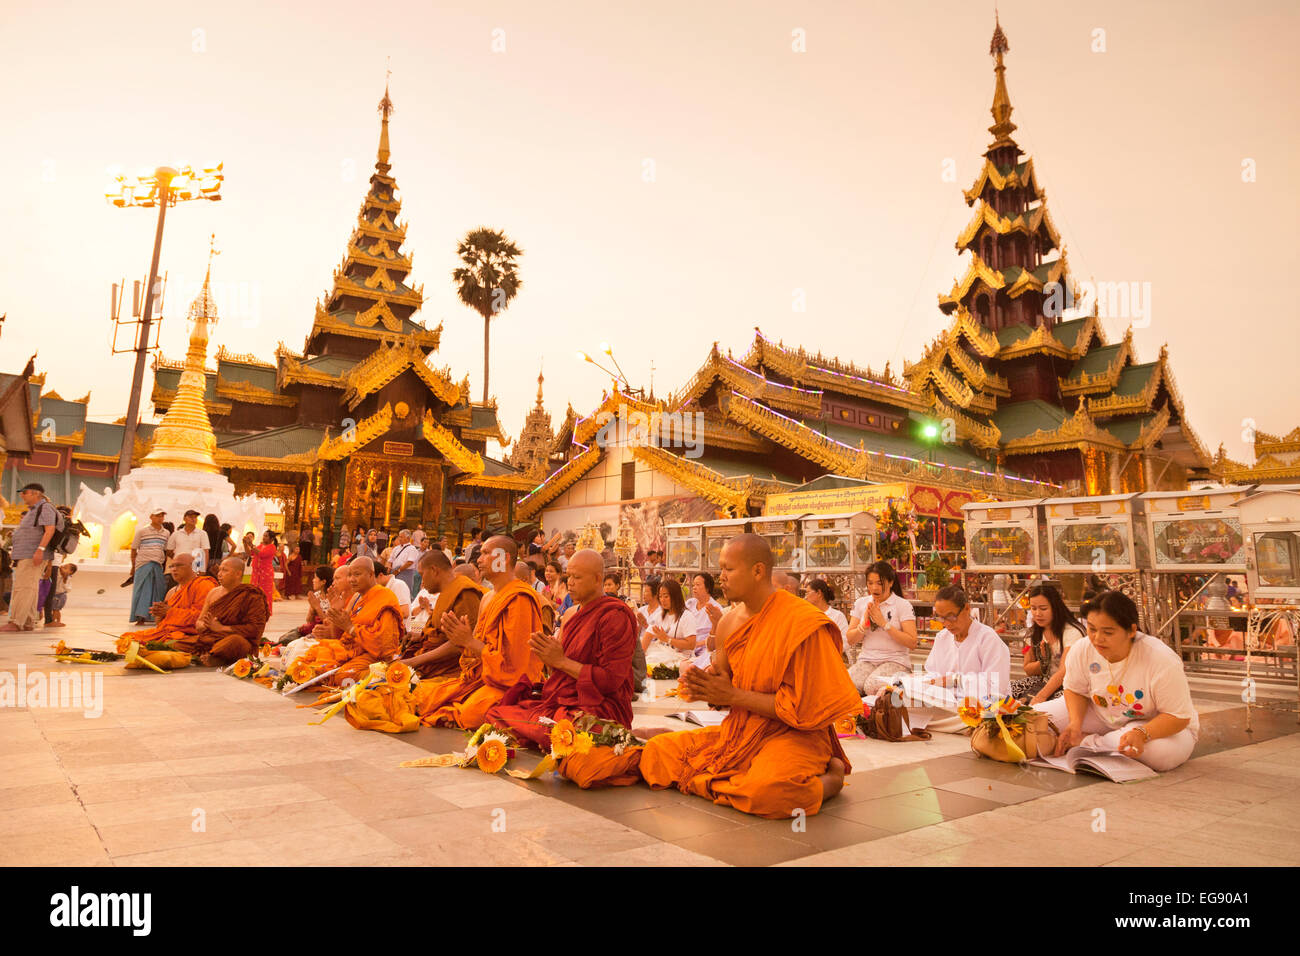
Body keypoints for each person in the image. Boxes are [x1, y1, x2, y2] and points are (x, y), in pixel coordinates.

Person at [637, 535, 860, 818]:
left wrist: (732, 695)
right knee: (657, 753)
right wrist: (705, 687)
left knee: (767, 792)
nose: (722, 578)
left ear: (757, 571)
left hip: (795, 737)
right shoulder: (730, 623)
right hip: (742, 731)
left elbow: (806, 709)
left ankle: (830, 780)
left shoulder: (801, 622)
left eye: (728, 569)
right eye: (721, 569)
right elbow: (725, 686)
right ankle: (732, 782)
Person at [488, 548, 637, 747]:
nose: (571, 583)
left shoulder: (614, 616)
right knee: (497, 712)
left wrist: (561, 661)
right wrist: (549, 658)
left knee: (562, 732)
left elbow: (610, 681)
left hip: (601, 708)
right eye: (568, 576)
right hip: (565, 703)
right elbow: (561, 677)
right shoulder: (572, 615)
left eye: (577, 577)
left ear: (597, 578)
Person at [1037, 591, 1198, 773]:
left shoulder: (1161, 659)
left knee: (1157, 754)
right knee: (1032, 720)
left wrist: (1141, 734)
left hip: (1155, 724)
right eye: (1092, 629)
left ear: (1131, 630)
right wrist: (1074, 724)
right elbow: (1075, 690)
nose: (1097, 638)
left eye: (1108, 632)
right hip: (1101, 713)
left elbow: (1178, 716)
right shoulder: (1082, 649)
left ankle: (1086, 743)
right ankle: (1097, 742)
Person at [414, 535, 545, 729]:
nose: (479, 560)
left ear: (504, 558)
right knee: (420, 695)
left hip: (509, 685)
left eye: (485, 553)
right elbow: (476, 650)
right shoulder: (487, 598)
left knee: (472, 713)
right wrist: (463, 639)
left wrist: (468, 641)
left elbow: (517, 666)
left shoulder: (519, 599)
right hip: (481, 679)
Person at [904, 585, 1010, 732]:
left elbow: (996, 686)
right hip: (946, 703)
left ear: (967, 608)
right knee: (904, 701)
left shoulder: (987, 638)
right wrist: (916, 683)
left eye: (951, 616)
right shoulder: (942, 637)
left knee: (984, 716)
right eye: (941, 618)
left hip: (979, 705)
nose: (947, 624)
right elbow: (934, 674)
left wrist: (955, 681)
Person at [399, 550, 486, 679]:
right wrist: (419, 634)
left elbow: (460, 643)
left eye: (422, 575)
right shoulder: (446, 591)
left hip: (451, 669)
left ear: (434, 570)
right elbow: (437, 629)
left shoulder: (465, 593)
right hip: (430, 659)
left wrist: (414, 662)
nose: (422, 582)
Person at [171, 556, 271, 665]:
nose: (219, 574)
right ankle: (211, 655)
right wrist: (204, 625)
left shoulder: (251, 595)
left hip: (236, 641)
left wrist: (222, 628)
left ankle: (212, 655)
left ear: (238, 574)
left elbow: (255, 629)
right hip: (211, 639)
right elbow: (199, 622)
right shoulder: (213, 593)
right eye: (219, 570)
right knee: (176, 645)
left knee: (235, 642)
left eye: (225, 570)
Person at [846, 561, 918, 695]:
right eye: (870, 583)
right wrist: (863, 626)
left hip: (896, 661)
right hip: (867, 660)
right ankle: (856, 715)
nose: (874, 588)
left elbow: (912, 642)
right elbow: (850, 639)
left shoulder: (902, 605)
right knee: (845, 683)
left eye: (879, 583)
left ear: (891, 582)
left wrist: (884, 624)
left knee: (872, 686)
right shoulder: (861, 603)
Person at [120, 552, 217, 647]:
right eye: (172, 566)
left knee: (173, 644)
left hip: (189, 634)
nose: (174, 569)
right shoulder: (172, 592)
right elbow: (162, 624)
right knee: (127, 639)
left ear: (193, 566)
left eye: (179, 565)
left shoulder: (203, 585)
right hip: (170, 634)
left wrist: (170, 612)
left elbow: (201, 617)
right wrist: (159, 615)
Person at [1010, 584, 1085, 703]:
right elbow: (1028, 669)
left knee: (1047, 706)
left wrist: (1041, 696)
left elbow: (1063, 671)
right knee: (1007, 693)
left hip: (1068, 686)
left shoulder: (1072, 632)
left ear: (1055, 607)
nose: (1038, 614)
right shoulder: (1033, 633)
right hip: (1043, 682)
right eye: (1033, 608)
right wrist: (1043, 661)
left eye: (1043, 608)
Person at [127, 509, 171, 626]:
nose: (160, 518)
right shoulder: (142, 531)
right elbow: (134, 548)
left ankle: (153, 616)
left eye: (162, 516)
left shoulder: (166, 533)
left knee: (158, 590)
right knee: (142, 590)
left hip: (158, 564)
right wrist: (133, 566)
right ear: (151, 517)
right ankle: (140, 616)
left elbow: (166, 550)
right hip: (143, 563)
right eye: (157, 516)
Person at [642, 578, 698, 665]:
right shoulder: (660, 616)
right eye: (660, 597)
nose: (662, 600)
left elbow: (691, 644)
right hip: (664, 653)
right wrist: (639, 659)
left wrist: (667, 639)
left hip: (681, 658)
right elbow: (647, 637)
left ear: (675, 596)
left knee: (653, 660)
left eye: (666, 596)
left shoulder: (687, 616)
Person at [687, 572, 724, 657]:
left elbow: (718, 635)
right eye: (693, 585)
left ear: (707, 588)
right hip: (687, 646)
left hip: (705, 649)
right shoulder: (689, 603)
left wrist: (697, 644)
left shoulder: (715, 609)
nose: (694, 588)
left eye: (698, 585)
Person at [804, 579, 848, 650]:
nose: (806, 597)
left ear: (819, 593)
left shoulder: (837, 616)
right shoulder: (807, 615)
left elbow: (845, 642)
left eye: (808, 592)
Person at [168, 509, 210, 574]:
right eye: (190, 517)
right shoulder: (176, 534)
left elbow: (205, 552)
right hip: (179, 566)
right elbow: (169, 551)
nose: (193, 519)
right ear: (184, 519)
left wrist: (203, 569)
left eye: (195, 517)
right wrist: (179, 558)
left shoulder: (202, 533)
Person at [247, 530, 278, 609]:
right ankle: (254, 609)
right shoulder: (260, 546)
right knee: (254, 591)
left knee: (265, 592)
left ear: (271, 539)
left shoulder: (272, 547)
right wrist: (245, 544)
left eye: (266, 536)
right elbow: (250, 553)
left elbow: (261, 554)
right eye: (264, 535)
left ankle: (264, 610)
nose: (264, 537)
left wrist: (251, 544)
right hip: (256, 572)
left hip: (266, 573)